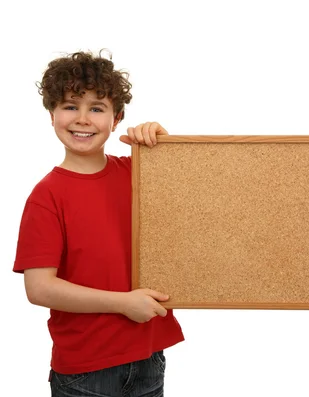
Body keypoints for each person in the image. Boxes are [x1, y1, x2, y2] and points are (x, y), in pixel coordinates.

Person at [13, 50, 184, 397]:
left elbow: (201, 203)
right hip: (86, 371)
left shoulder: (138, 174)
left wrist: (164, 145)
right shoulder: (46, 196)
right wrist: (123, 303)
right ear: (52, 114)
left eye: (96, 108)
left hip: (149, 357)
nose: (83, 119)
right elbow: (40, 289)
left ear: (117, 118)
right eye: (70, 106)